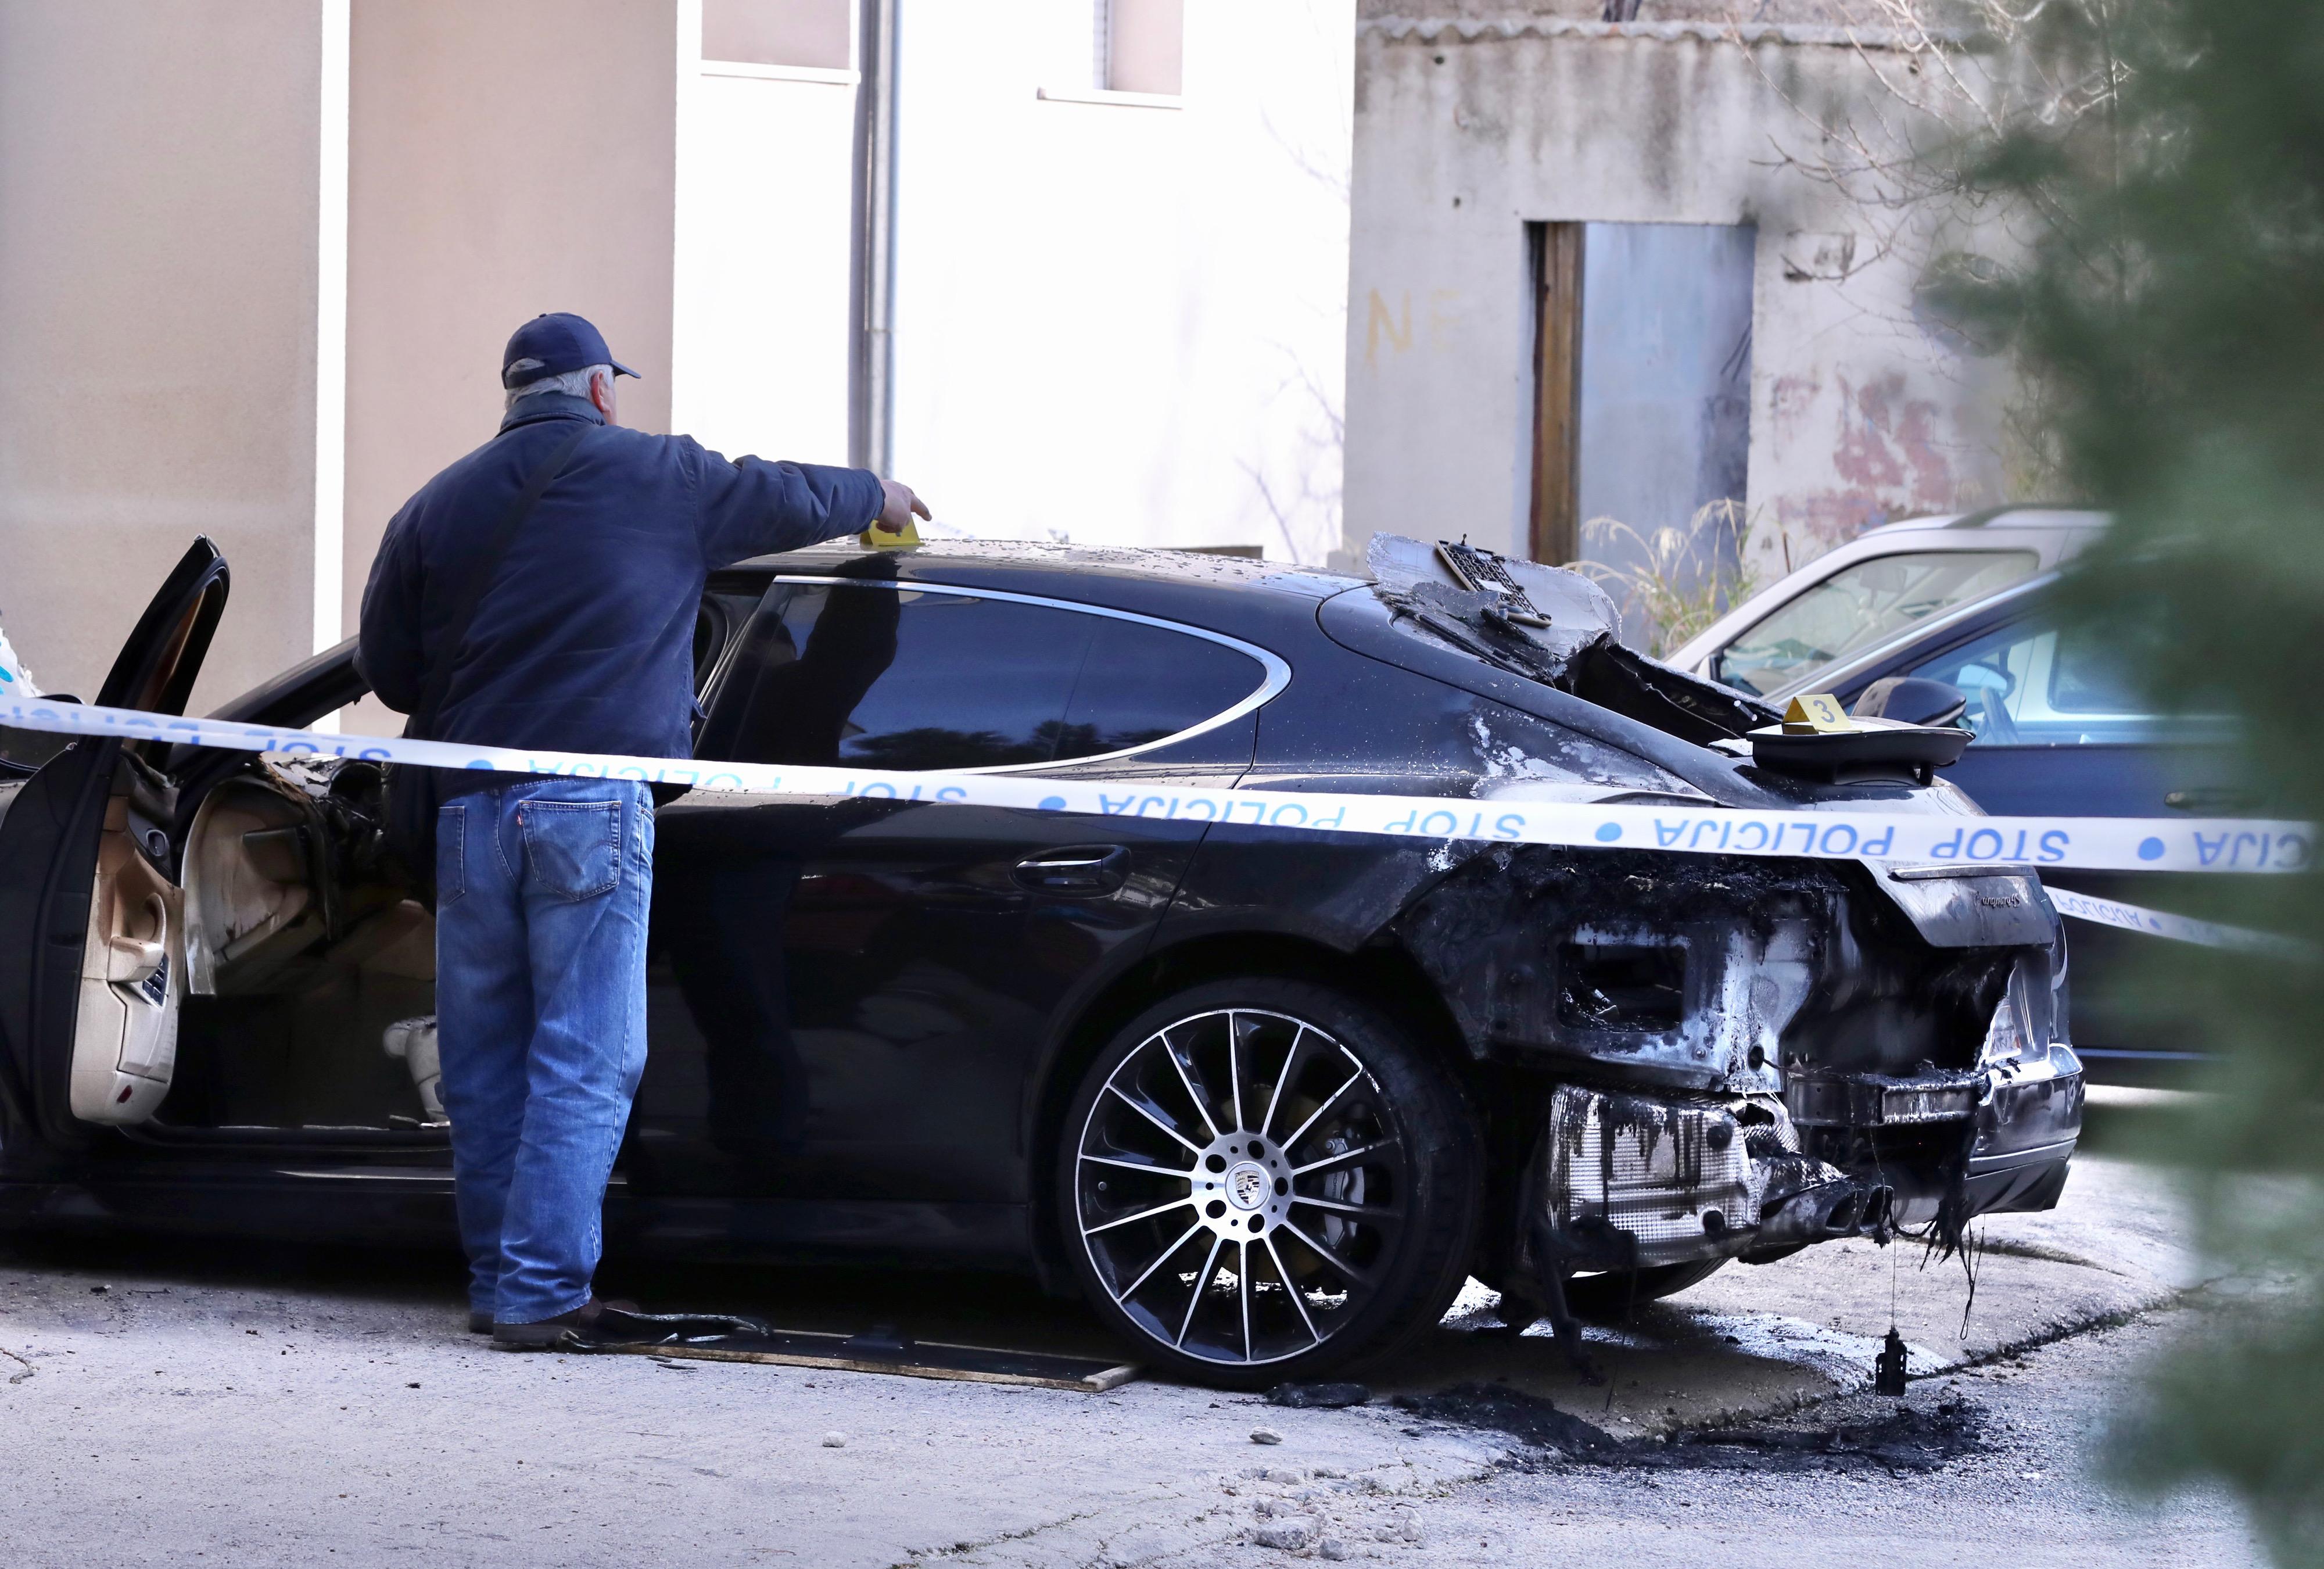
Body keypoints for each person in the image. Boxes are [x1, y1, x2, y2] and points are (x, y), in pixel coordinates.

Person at [356, 311, 927, 1346]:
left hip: (469, 810)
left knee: (484, 1060)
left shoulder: (432, 506)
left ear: (514, 394)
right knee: (587, 1055)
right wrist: (876, 494)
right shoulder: (665, 477)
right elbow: (787, 491)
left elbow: (392, 673)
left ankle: (498, 1283)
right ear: (601, 390)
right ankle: (541, 1293)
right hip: (587, 800)